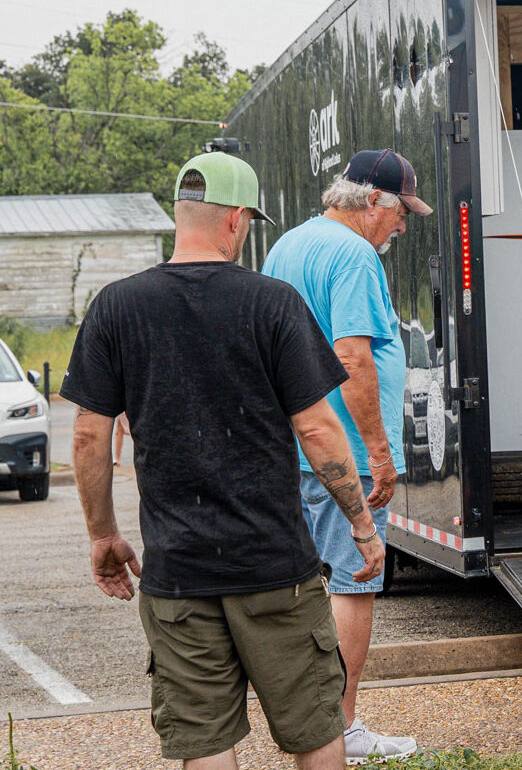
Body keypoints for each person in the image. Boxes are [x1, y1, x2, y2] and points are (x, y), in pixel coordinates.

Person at [62, 151, 385, 769]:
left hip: (178, 574)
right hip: (275, 569)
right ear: (236, 220)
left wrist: (104, 534)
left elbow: (87, 437)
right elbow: (317, 430)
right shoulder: (273, 303)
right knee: (318, 736)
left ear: (181, 216)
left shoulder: (116, 307)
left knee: (206, 746)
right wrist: (361, 525)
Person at [260, 148, 430, 763]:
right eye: (401, 212)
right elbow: (353, 358)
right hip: (345, 452)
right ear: (374, 202)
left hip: (299, 442)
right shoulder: (355, 254)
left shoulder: (289, 246)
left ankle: (311, 723)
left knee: (309, 587)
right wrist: (380, 456)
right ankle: (342, 727)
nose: (402, 227)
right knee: (355, 585)